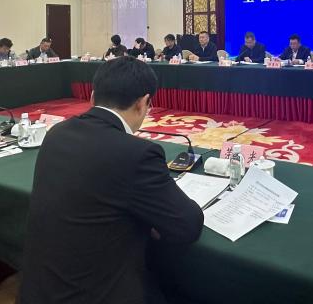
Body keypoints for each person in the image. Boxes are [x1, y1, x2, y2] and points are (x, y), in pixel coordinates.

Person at [20, 57, 203, 303]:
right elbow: (187, 225)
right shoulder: (137, 153)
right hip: (96, 293)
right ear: (143, 103)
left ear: (92, 97)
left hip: (39, 290)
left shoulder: (56, 134)